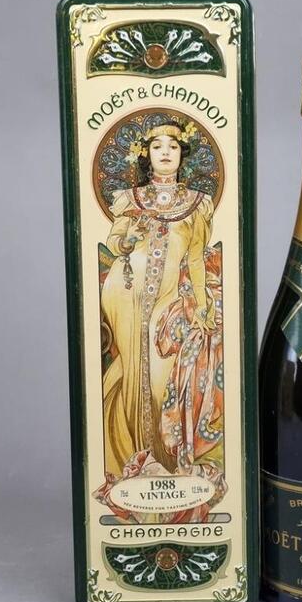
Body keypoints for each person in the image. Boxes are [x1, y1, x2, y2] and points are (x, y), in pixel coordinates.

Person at [97, 121, 224, 512]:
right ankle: (132, 454)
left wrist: (201, 303)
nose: (166, 152)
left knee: (157, 376)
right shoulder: (130, 199)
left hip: (169, 297)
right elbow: (115, 241)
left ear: (183, 155)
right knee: (131, 369)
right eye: (157, 146)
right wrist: (127, 239)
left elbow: (197, 259)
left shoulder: (196, 204)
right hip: (125, 293)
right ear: (146, 154)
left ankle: (163, 458)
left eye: (173, 146)